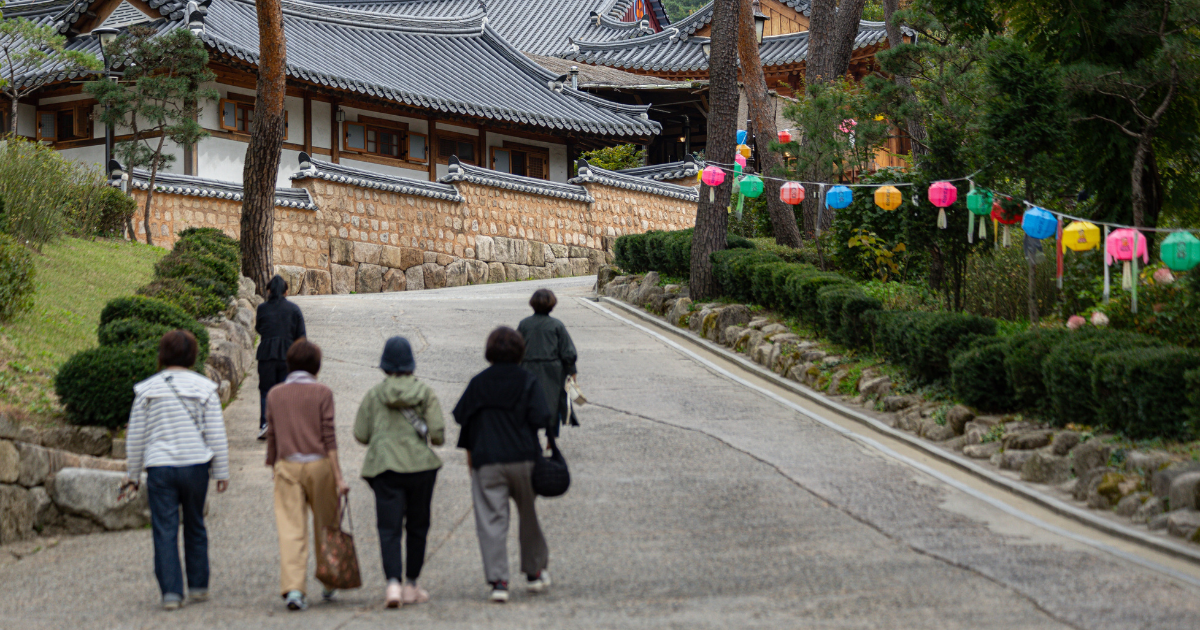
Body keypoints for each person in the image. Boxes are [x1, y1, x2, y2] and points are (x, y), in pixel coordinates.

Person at [123, 330, 230, 611]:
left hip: (160, 468)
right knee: (195, 524)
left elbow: (135, 436)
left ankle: (171, 593)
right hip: (196, 466)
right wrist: (221, 471)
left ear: (162, 354)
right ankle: (198, 586)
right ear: (193, 355)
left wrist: (133, 476)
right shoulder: (204, 387)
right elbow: (216, 433)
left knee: (165, 529)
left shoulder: (146, 389)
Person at [453, 326, 553, 603]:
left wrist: (470, 461)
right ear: (520, 351)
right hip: (524, 459)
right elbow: (541, 418)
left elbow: (463, 418)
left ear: (490, 351)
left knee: (491, 521)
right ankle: (534, 573)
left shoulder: (478, 383)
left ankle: (499, 581)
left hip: (487, 460)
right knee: (528, 515)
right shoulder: (528, 380)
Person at [354, 337, 445, 608]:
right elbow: (438, 435)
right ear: (411, 364)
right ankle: (411, 585)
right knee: (418, 527)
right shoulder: (425, 393)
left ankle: (392, 584)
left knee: (388, 528)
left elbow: (361, 434)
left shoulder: (374, 395)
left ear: (384, 365)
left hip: (385, 468)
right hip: (420, 467)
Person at [265, 339, 351, 611]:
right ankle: (329, 579)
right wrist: (338, 476)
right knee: (326, 524)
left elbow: (272, 435)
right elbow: (329, 436)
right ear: (317, 366)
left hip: (287, 465)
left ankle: (294, 589)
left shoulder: (275, 394)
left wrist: (272, 465)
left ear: (289, 364)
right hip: (320, 466)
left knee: (291, 528)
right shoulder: (323, 392)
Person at [517, 289, 578, 437]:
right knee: (553, 402)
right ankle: (551, 438)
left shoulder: (524, 324)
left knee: (529, 402)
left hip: (528, 368)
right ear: (552, 305)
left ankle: (531, 436)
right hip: (553, 370)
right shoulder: (557, 325)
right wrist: (572, 371)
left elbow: (516, 347)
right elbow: (568, 351)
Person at [256, 275, 307, 440]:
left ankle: (265, 424)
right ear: (286, 291)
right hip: (288, 355)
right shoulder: (294, 309)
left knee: (266, 391)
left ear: (269, 291)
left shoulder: (262, 308)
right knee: (287, 391)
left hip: (266, 354)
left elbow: (260, 328)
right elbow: (302, 336)